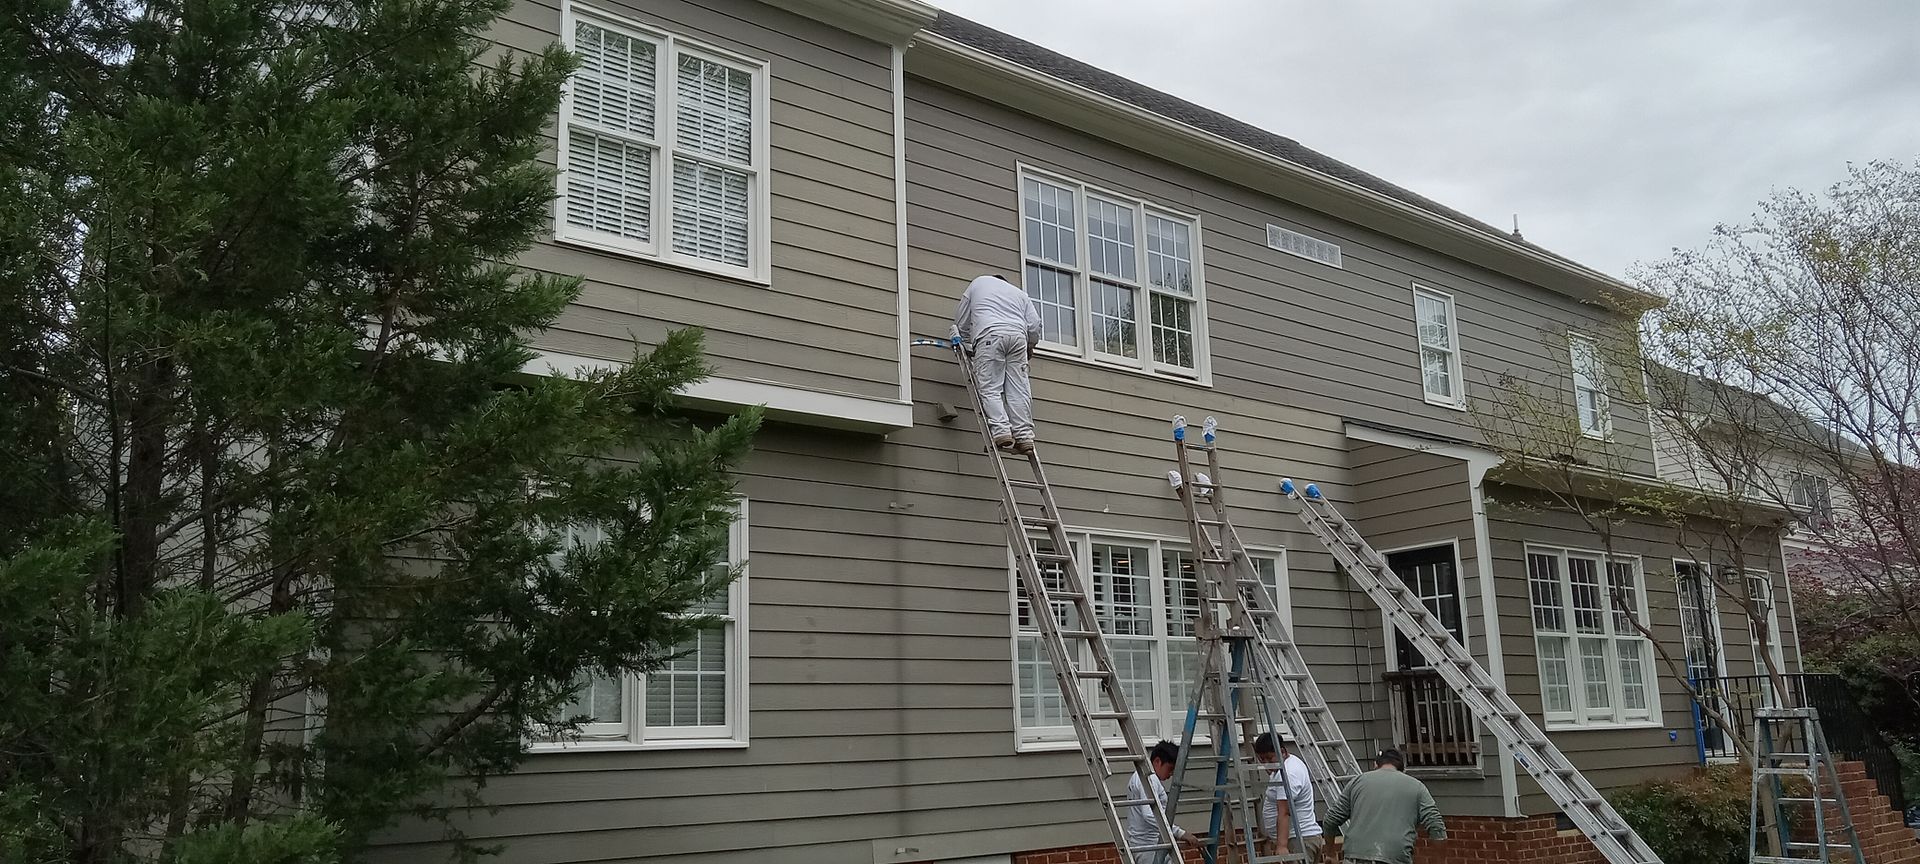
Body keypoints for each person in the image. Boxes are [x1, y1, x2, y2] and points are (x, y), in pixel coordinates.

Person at [949, 274, 1043, 453]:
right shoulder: (1018, 293)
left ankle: (1001, 433)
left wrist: (968, 345)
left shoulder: (978, 283)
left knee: (990, 388)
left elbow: (961, 321)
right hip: (1018, 338)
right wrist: (1031, 345)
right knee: (1019, 389)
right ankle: (1024, 436)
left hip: (990, 335)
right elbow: (1035, 324)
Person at [1322, 749, 1446, 864]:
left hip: (1355, 857)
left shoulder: (1357, 782)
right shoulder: (1417, 787)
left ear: (1376, 764)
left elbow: (1330, 820)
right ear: (1402, 769)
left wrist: (1330, 854)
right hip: (1394, 858)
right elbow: (1436, 826)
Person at [1125, 740, 1203, 863]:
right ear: (1157, 762)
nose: (1171, 774)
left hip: (1155, 842)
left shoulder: (1146, 778)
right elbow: (1149, 815)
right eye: (1170, 768)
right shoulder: (1148, 779)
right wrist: (1179, 833)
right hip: (1147, 846)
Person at [1253, 732, 1324, 862]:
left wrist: (1282, 846)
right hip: (1299, 838)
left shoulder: (1289, 774)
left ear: (1282, 751)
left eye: (1269, 758)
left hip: (1298, 841)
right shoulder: (1286, 764)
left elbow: (1284, 811)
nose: (1266, 763)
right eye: (1262, 760)